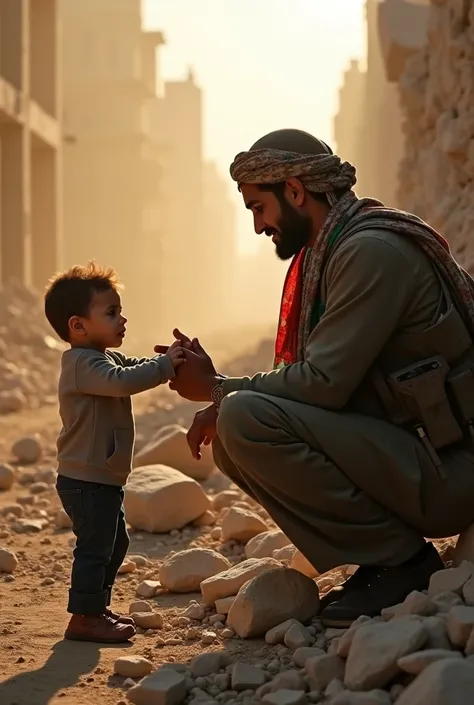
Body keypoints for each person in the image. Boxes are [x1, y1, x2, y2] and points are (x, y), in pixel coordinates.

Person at [156, 128, 474, 628]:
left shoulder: (370, 252)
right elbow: (317, 383)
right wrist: (224, 394)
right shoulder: (339, 250)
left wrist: (219, 387)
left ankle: (402, 564)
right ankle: (383, 557)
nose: (259, 227)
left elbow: (323, 383)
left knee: (241, 417)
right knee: (233, 432)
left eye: (260, 208)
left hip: (454, 474)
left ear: (297, 192)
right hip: (420, 458)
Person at [44, 262, 184, 642]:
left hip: (101, 476)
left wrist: (165, 360)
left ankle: (97, 607)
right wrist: (163, 368)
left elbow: (132, 366)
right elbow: (122, 381)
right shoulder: (81, 365)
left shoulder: (101, 357)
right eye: (111, 312)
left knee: (114, 541)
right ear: (78, 325)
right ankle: (84, 618)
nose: (122, 318)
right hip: (85, 478)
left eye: (119, 310)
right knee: (95, 547)